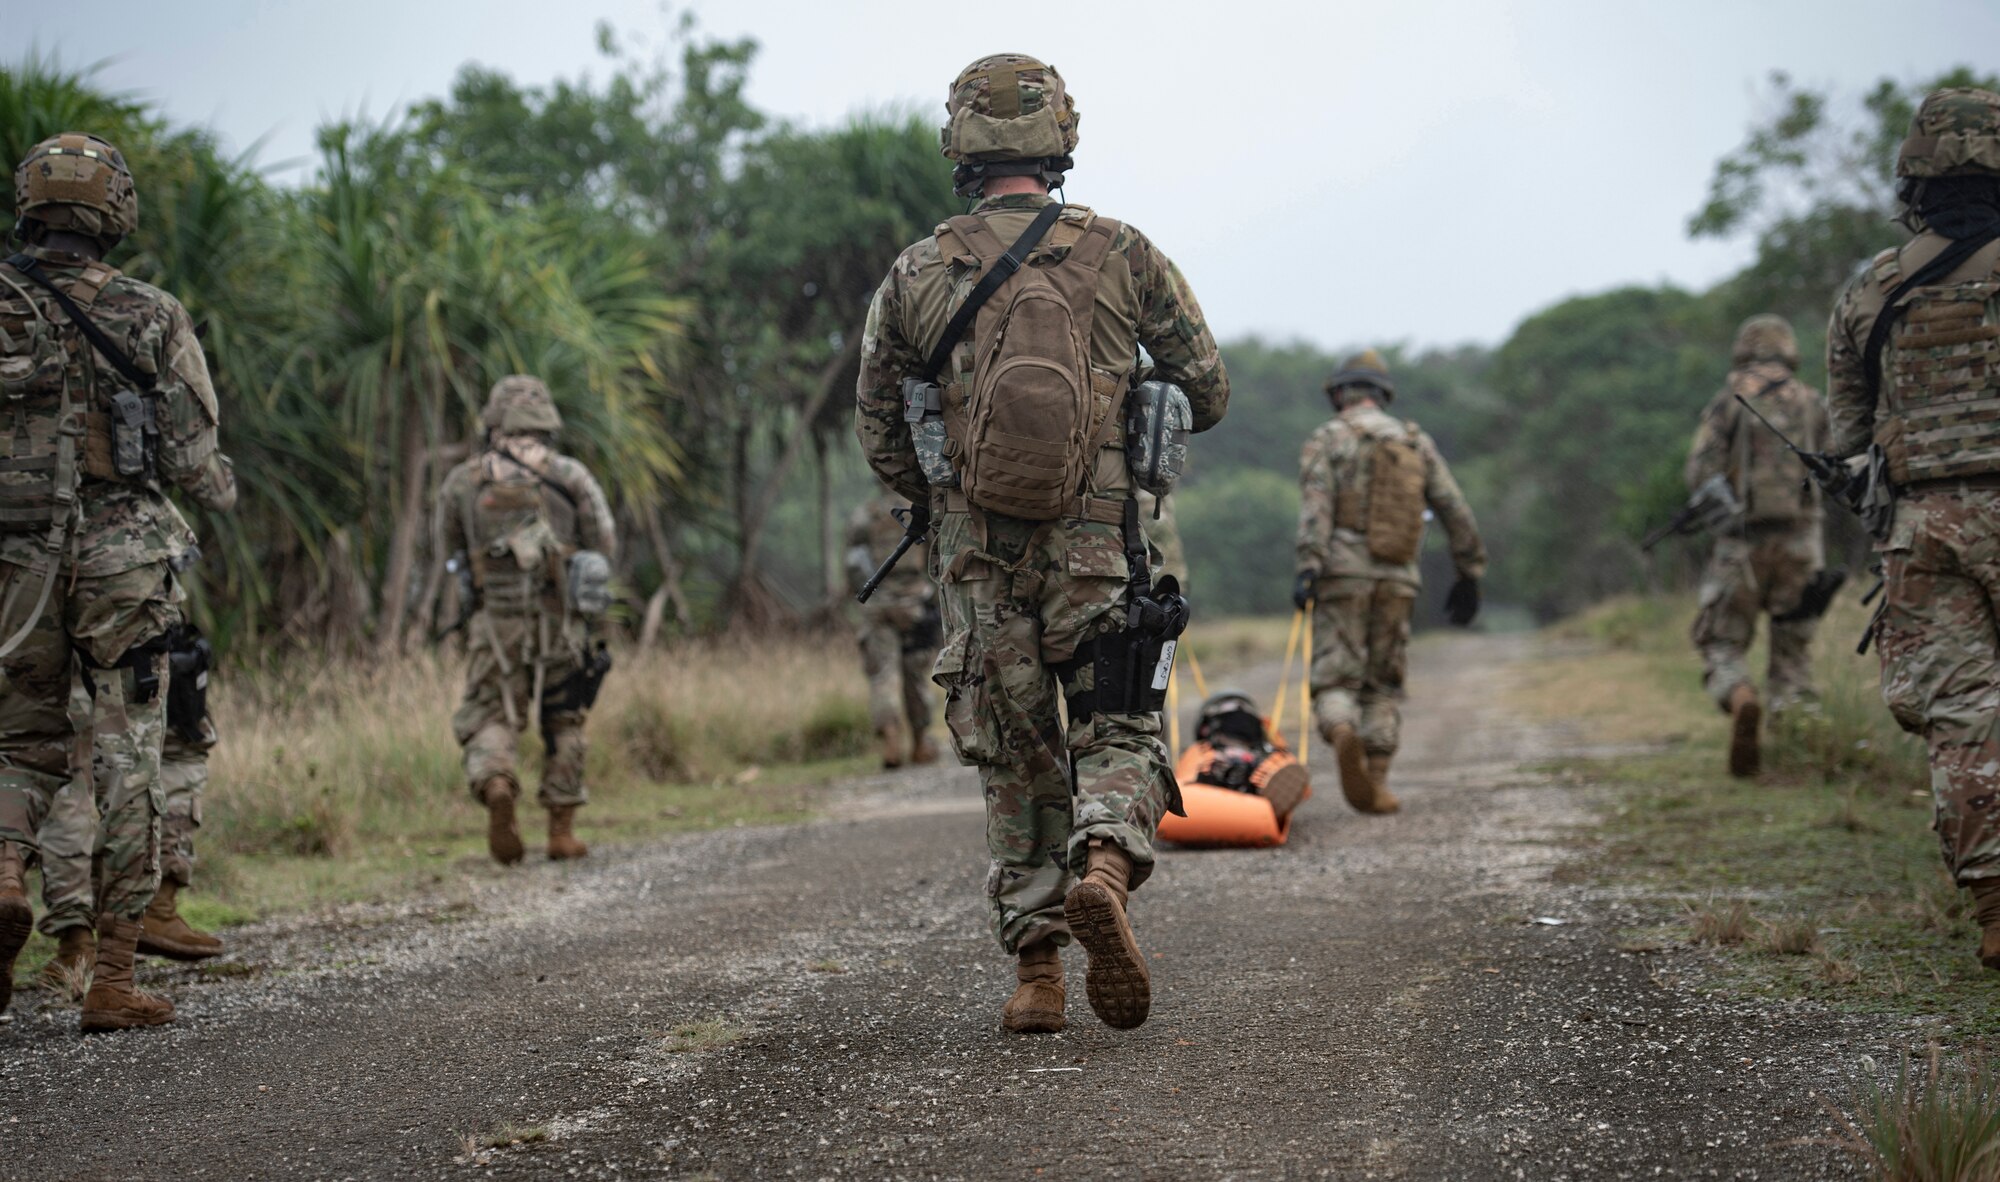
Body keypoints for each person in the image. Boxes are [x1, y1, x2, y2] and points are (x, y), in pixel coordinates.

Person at [857, 53, 1228, 1034]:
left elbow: (880, 430)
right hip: (1101, 543)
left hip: (977, 555)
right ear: (1059, 137)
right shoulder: (1123, 252)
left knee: (1014, 755)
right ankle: (1102, 864)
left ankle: (1036, 978)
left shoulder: (916, 271)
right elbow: (1208, 389)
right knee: (1116, 726)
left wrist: (947, 503)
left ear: (960, 146)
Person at [0, 132, 237, 1031]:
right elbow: (190, 456)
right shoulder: (150, 312)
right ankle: (112, 977)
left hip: (11, 559)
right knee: (130, 748)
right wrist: (222, 489)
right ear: (116, 211)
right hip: (121, 555)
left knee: (18, 742)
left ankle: (7, 876)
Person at [1825, 87, 2000, 969]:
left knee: (1964, 716)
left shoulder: (1874, 290)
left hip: (1926, 523)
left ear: (1913, 177)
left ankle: (1997, 903)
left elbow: (1849, 442)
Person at [1293, 349, 1484, 814]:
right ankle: (1377, 781)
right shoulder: (1415, 442)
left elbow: (1317, 505)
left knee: (1336, 675)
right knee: (1383, 681)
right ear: (1382, 396)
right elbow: (1453, 507)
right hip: (1399, 575)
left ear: (1339, 394)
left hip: (1343, 572)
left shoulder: (1328, 439)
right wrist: (1470, 571)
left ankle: (1341, 729)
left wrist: (1309, 565)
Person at [436, 375, 616, 866]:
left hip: (495, 623)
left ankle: (496, 782)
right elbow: (604, 540)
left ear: (494, 419)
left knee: (490, 713)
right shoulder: (570, 475)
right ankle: (561, 830)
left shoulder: (463, 481)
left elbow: (447, 549)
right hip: (559, 620)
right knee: (564, 716)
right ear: (546, 421)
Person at [1684, 315, 1832, 777]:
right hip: (1801, 541)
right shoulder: (1811, 401)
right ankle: (1800, 755)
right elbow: (1837, 465)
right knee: (1793, 654)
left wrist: (1721, 521)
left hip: (1740, 543)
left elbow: (1698, 472)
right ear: (1788, 350)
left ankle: (1739, 695)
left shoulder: (1729, 402)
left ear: (1742, 350)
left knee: (1721, 641)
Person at [845, 490, 941, 768]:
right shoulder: (922, 508)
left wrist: (864, 596)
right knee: (915, 675)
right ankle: (921, 742)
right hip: (914, 604)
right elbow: (938, 559)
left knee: (883, 675)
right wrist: (933, 599)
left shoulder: (866, 514)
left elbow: (852, 564)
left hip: (878, 606)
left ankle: (890, 738)